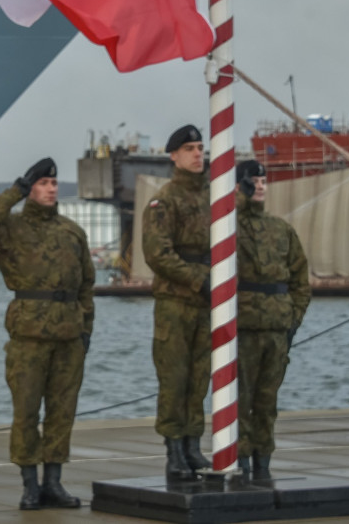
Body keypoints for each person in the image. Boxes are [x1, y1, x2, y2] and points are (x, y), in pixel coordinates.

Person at [0, 158, 94, 510]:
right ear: (30, 188)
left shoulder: (72, 232)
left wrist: (86, 330)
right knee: (26, 412)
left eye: (53, 183)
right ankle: (30, 485)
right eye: (42, 183)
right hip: (28, 335)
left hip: (69, 335)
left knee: (62, 412)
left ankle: (53, 482)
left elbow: (86, 285)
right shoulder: (11, 229)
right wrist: (16, 191)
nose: (51, 188)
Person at [141, 124, 212, 480]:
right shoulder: (164, 201)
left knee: (200, 377)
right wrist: (199, 279)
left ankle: (193, 444)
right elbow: (157, 253)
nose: (198, 154)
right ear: (174, 156)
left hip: (207, 302)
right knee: (174, 377)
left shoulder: (215, 197)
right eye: (189, 149)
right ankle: (173, 450)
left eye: (200, 147)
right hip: (176, 303)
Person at [234, 159, 310, 479]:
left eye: (264, 181)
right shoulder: (228, 227)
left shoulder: (281, 229)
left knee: (267, 401)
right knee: (240, 400)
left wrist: (293, 319)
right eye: (254, 181)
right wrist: (239, 200)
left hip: (277, 329)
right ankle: (240, 459)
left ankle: (263, 461)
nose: (261, 186)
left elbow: (300, 279)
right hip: (243, 328)